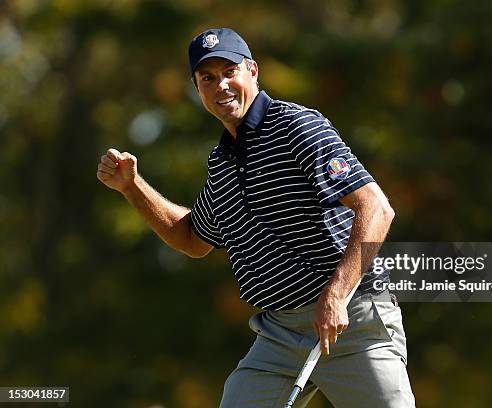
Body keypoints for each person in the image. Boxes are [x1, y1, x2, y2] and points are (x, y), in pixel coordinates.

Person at [97, 27, 416, 407]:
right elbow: (192, 240)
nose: (221, 86)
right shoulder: (221, 162)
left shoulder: (296, 126)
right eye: (207, 78)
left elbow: (377, 208)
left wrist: (336, 292)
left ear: (253, 71)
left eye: (230, 72)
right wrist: (132, 187)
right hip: (279, 336)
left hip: (352, 320)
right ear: (198, 89)